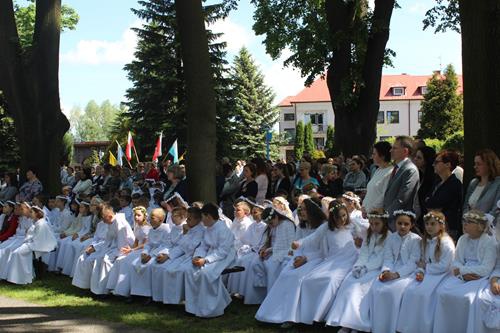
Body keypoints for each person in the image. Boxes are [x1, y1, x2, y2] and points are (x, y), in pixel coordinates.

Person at [255, 198, 326, 324]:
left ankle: (292, 316)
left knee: (296, 277)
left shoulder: (322, 226)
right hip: (300, 257)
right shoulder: (301, 226)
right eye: (300, 209)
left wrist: (306, 259)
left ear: (312, 210)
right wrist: (296, 257)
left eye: (304, 209)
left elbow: (323, 251)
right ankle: (274, 312)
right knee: (284, 274)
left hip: (316, 259)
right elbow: (297, 246)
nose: (301, 212)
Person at [286, 199, 358, 326]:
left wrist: (361, 242)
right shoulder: (326, 228)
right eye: (337, 217)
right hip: (332, 260)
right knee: (309, 280)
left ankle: (320, 315)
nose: (341, 219)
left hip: (349, 260)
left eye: (344, 215)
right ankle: (307, 314)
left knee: (330, 280)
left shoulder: (353, 225)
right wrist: (299, 243)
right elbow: (312, 238)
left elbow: (368, 233)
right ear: (332, 217)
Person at [326, 208, 391, 332]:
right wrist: (358, 266)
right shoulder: (369, 234)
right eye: (371, 223)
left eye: (377, 224)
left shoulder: (389, 237)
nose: (373, 226)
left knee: (359, 288)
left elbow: (382, 257)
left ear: (384, 223)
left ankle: (355, 323)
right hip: (363, 266)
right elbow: (364, 253)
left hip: (375, 268)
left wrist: (366, 268)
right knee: (348, 283)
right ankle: (346, 321)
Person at [433, 210, 497, 333]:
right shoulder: (463, 239)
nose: (465, 224)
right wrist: (462, 274)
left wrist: (461, 270)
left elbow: (486, 268)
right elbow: (456, 262)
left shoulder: (489, 242)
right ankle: (447, 328)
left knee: (469, 298)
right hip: (462, 276)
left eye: (469, 222)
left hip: (479, 277)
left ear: (480, 226)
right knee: (442, 292)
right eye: (464, 221)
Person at [396, 210, 456, 333]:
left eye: (433, 224)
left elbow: (445, 266)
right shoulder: (426, 240)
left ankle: (423, 328)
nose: (429, 227)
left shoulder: (446, 243)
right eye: (427, 224)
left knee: (424, 294)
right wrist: (420, 271)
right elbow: (422, 261)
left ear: (441, 225)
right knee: (409, 290)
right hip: (427, 273)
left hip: (441, 275)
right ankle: (409, 327)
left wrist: (426, 268)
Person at [370, 210, 422, 333]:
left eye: (406, 224)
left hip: (406, 272)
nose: (402, 226)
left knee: (393, 291)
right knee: (377, 287)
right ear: (395, 224)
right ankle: (377, 326)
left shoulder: (416, 240)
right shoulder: (391, 237)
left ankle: (391, 326)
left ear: (411, 225)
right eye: (399, 223)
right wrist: (386, 271)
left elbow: (413, 262)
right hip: (392, 268)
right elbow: (388, 257)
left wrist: (396, 275)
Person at [184, 203, 236, 317]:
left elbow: (223, 251)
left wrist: (206, 260)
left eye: (202, 217)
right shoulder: (208, 228)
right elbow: (203, 246)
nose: (201, 220)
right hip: (210, 254)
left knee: (206, 273)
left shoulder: (223, 229)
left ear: (208, 216)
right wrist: (197, 256)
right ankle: (194, 306)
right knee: (189, 269)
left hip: (225, 256)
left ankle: (212, 308)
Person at [72, 203, 135, 295]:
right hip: (111, 248)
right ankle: (87, 286)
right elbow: (107, 241)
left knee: (103, 260)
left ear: (109, 216)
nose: (102, 220)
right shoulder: (111, 222)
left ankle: (103, 290)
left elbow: (122, 245)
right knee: (88, 256)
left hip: (122, 249)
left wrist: (107, 253)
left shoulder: (120, 223)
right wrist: (97, 249)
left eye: (103, 217)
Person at [154, 206, 205, 305]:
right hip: (183, 256)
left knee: (178, 271)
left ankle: (182, 300)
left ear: (198, 220)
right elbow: (181, 246)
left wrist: (186, 233)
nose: (187, 221)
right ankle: (170, 300)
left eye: (189, 218)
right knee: (168, 269)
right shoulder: (190, 228)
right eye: (187, 218)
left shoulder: (200, 231)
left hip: (193, 257)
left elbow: (191, 248)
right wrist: (167, 256)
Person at [227, 200, 268, 304]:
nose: (253, 215)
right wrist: (247, 247)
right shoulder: (253, 225)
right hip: (251, 249)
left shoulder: (265, 226)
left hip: (259, 250)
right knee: (240, 260)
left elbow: (264, 241)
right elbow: (245, 239)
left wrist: (255, 248)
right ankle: (240, 290)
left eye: (256, 212)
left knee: (248, 263)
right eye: (253, 212)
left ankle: (252, 296)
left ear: (262, 213)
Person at [105, 206, 151, 297]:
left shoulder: (147, 228)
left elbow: (145, 244)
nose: (136, 217)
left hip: (144, 250)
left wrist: (132, 250)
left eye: (139, 215)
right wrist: (130, 250)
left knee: (126, 261)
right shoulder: (137, 226)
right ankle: (115, 287)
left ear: (144, 216)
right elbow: (136, 241)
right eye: (135, 215)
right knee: (119, 260)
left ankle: (127, 290)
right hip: (136, 249)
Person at [4, 205, 56, 284]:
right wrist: (28, 240)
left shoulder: (41, 224)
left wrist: (28, 242)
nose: (30, 213)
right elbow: (31, 235)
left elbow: (39, 239)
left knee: (17, 253)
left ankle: (23, 277)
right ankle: (17, 277)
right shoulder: (35, 222)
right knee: (15, 253)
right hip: (32, 243)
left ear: (37, 213)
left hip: (38, 245)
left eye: (31, 212)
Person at [253, 206, 296, 293]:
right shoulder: (272, 226)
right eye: (268, 224)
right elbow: (267, 240)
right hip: (273, 250)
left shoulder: (286, 224)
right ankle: (263, 289)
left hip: (285, 251)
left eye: (271, 223)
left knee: (271, 266)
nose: (270, 225)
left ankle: (272, 292)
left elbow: (284, 245)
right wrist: (263, 250)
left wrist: (268, 251)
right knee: (255, 262)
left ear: (276, 217)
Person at [383, 136, 420, 230]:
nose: (391, 151)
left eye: (395, 148)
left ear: (405, 151)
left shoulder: (410, 170)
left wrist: (386, 215)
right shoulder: (397, 168)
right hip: (391, 221)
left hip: (400, 222)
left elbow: (402, 198)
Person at [424, 150, 463, 239]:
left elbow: (437, 203)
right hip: (433, 226)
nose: (433, 165)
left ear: (448, 164)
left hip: (446, 228)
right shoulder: (437, 182)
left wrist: (431, 203)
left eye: (437, 162)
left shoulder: (454, 184)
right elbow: (427, 202)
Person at [463, 149, 500, 219]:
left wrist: (479, 222)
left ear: (489, 165)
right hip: (469, 226)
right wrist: (466, 219)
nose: (475, 167)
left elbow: (496, 210)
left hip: (488, 227)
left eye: (479, 164)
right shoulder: (473, 183)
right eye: (475, 164)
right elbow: (465, 206)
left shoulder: (497, 184)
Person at [362, 141, 393, 214]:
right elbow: (370, 192)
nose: (372, 156)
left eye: (374, 154)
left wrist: (370, 209)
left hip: (377, 215)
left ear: (382, 156)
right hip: (368, 213)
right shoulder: (378, 170)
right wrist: (363, 206)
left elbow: (384, 195)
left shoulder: (390, 172)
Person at [413, 146, 437, 229]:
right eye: (415, 156)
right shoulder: (418, 175)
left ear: (427, 160)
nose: (415, 159)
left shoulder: (433, 179)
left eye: (419, 158)